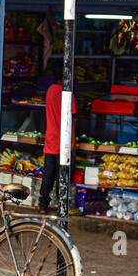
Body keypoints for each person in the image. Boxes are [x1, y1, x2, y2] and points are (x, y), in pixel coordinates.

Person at [39, 75, 76, 213]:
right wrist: (73, 140)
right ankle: (61, 204)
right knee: (63, 174)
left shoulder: (49, 91)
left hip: (50, 139)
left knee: (48, 173)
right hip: (63, 141)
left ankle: (43, 204)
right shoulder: (67, 94)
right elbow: (72, 119)